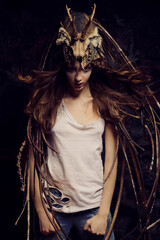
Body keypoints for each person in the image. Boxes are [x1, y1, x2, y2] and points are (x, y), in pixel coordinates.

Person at [16, 4, 160, 240]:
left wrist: (103, 213)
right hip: (54, 210)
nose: (79, 77)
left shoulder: (104, 105)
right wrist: (41, 212)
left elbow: (111, 163)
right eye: (72, 69)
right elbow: (33, 163)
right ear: (64, 66)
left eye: (86, 68)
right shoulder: (48, 103)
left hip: (93, 209)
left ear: (95, 65)